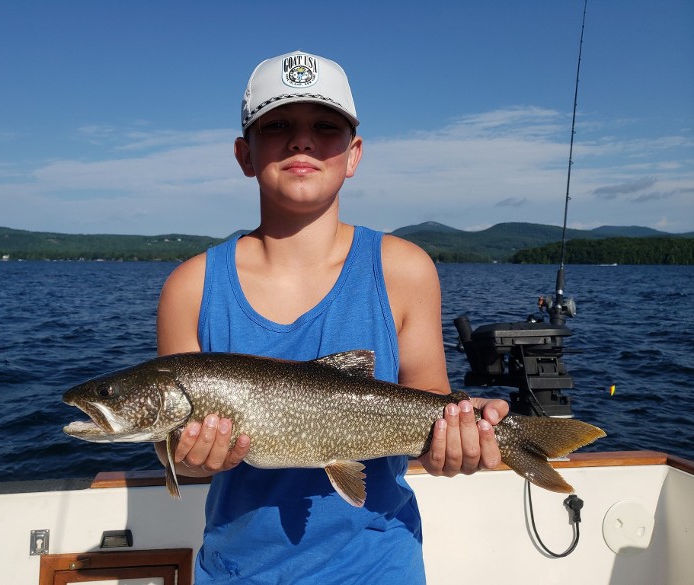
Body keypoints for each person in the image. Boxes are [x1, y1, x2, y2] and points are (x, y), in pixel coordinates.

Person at [155, 50, 509, 584]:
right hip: (235, 571)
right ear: (244, 154)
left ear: (354, 153)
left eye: (325, 126)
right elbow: (177, 458)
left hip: (380, 566)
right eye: (277, 126)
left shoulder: (405, 270)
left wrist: (458, 439)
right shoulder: (189, 287)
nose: (302, 141)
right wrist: (190, 461)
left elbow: (431, 412)